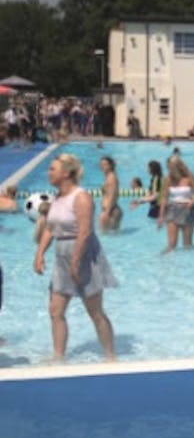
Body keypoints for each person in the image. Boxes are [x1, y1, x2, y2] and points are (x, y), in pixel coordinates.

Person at [33, 153, 117, 361]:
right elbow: (50, 229)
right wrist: (40, 253)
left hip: (84, 254)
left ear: (66, 173)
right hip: (62, 255)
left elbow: (85, 231)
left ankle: (110, 356)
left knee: (95, 312)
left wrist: (76, 261)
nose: (49, 172)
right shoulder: (56, 198)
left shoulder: (81, 197)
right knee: (55, 310)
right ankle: (58, 357)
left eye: (53, 169)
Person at [158, 156, 194, 252]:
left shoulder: (189, 177)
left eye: (172, 168)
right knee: (171, 244)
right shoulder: (168, 178)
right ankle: (163, 262)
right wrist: (161, 216)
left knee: (187, 245)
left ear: (179, 166)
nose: (170, 170)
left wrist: (191, 202)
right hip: (172, 210)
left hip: (187, 210)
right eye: (168, 168)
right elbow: (164, 198)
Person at [99, 156, 122, 232]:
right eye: (101, 164)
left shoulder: (112, 177)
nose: (102, 166)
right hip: (111, 210)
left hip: (111, 212)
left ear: (110, 166)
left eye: (105, 164)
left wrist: (107, 213)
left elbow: (113, 196)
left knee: (106, 236)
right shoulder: (109, 177)